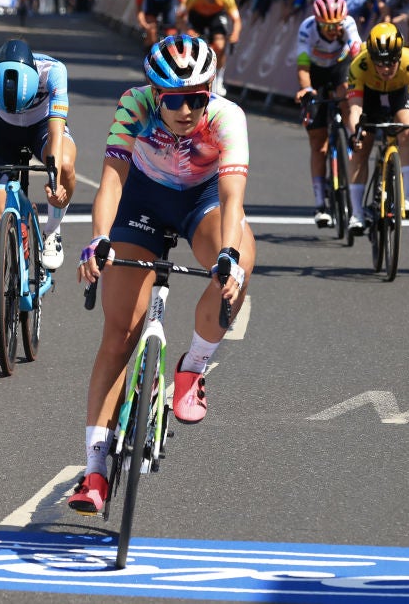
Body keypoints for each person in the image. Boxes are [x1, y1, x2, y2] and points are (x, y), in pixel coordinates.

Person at [69, 34, 256, 516]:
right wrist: (99, 239)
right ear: (156, 94)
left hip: (202, 202)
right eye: (174, 100)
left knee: (239, 262)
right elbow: (112, 180)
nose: (187, 110)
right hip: (143, 201)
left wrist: (229, 255)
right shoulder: (134, 105)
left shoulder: (227, 117)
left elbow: (232, 197)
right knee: (120, 334)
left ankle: (193, 365)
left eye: (197, 97)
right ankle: (94, 470)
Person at [0, 39, 77, 344]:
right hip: (2, 132)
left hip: (43, 127)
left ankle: (52, 230)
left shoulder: (54, 71)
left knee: (65, 165)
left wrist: (55, 179)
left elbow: (56, 133)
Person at [344, 22, 409, 233]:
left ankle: (408, 197)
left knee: (407, 130)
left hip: (400, 89)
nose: (385, 69)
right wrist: (356, 133)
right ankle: (356, 213)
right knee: (362, 144)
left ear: (399, 56)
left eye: (391, 62)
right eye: (380, 63)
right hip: (369, 92)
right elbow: (355, 108)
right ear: (371, 58)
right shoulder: (359, 65)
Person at [293, 0, 363, 227]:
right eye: (327, 26)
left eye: (337, 25)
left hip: (340, 67)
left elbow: (357, 54)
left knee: (347, 97)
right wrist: (307, 90)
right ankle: (320, 204)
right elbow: (303, 66)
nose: (333, 30)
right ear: (318, 22)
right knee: (318, 142)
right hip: (315, 72)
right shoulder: (307, 29)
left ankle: (353, 137)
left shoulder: (349, 24)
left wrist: (358, 87)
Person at [186, 0, 243, 97]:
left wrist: (235, 33)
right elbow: (180, 16)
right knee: (191, 45)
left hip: (216, 15)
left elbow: (236, 20)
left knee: (220, 45)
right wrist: (187, 30)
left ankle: (219, 79)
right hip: (197, 16)